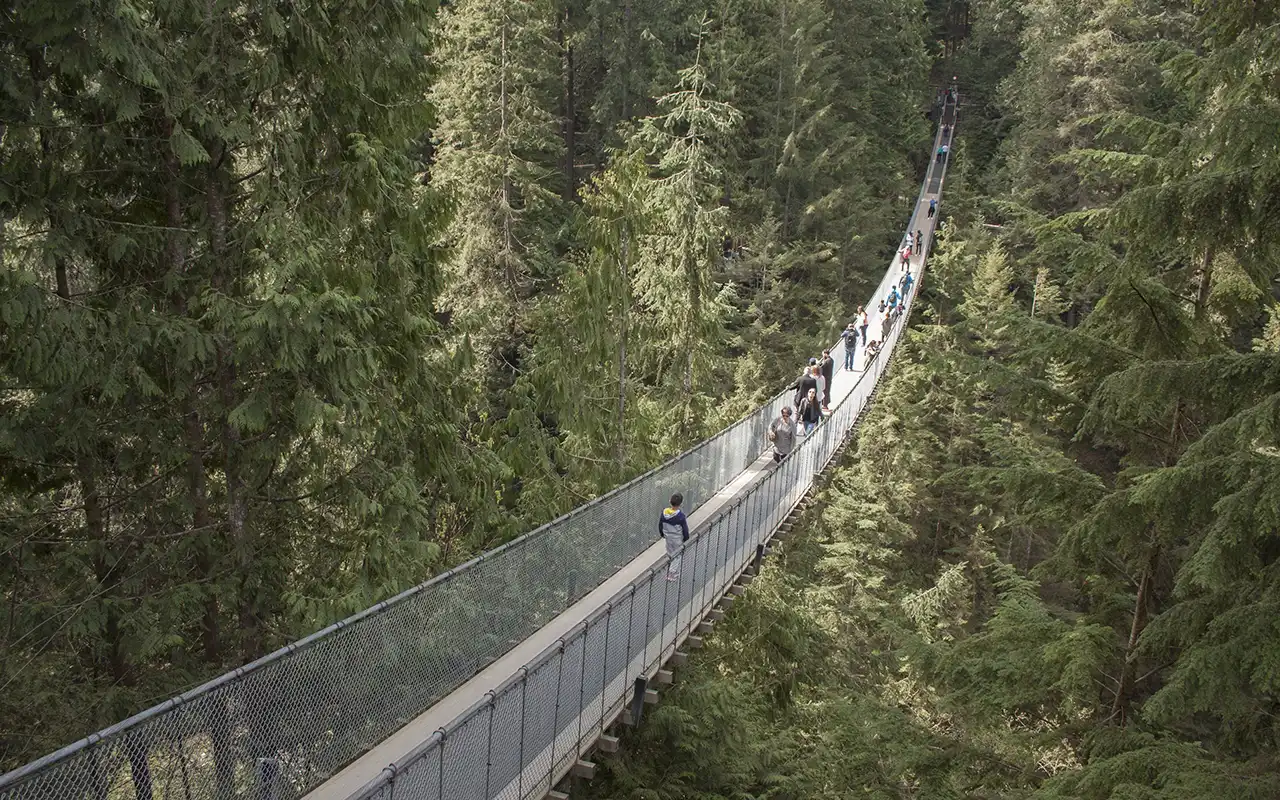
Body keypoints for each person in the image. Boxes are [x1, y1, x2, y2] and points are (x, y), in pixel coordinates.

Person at [659, 493, 690, 580]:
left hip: (668, 538)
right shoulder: (680, 517)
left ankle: (671, 571)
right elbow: (685, 529)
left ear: (670, 501)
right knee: (677, 555)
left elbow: (660, 525)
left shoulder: (664, 513)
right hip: (677, 539)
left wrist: (662, 534)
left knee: (670, 553)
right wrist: (686, 538)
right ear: (680, 504)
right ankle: (672, 574)